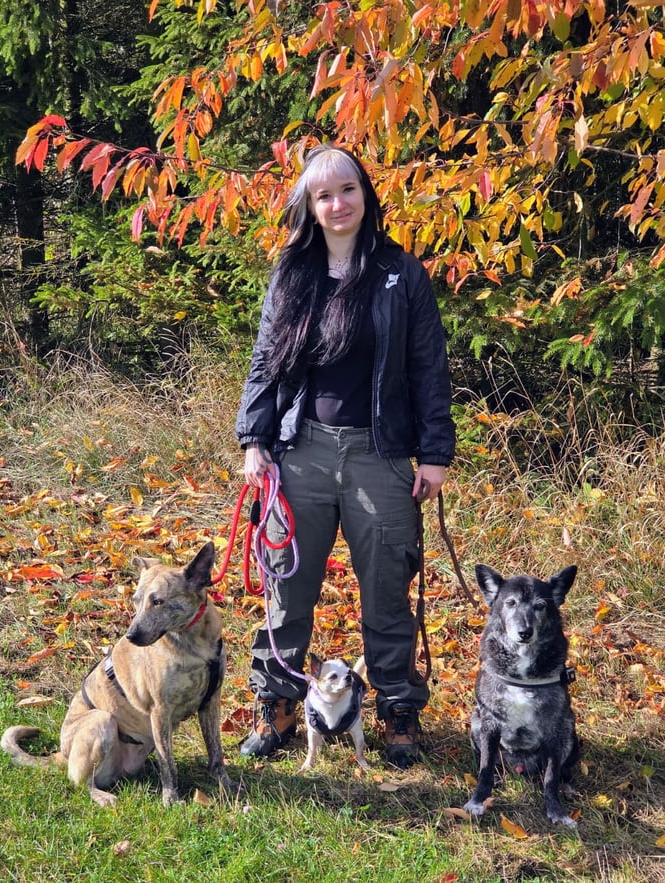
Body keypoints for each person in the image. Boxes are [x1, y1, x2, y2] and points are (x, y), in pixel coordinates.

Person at [234, 143, 455, 768]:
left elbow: (428, 368)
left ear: (366, 195)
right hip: (297, 453)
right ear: (309, 204)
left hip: (378, 457)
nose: (337, 203)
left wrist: (434, 453)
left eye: (348, 190)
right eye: (324, 194)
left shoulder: (401, 274)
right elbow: (264, 365)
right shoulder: (292, 273)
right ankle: (277, 703)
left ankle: (395, 711)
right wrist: (255, 439)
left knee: (387, 588)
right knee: (287, 584)